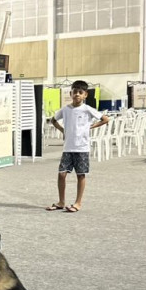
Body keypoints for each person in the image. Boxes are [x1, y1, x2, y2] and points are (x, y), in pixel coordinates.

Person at [46, 80, 109, 213]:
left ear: (85, 95)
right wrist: (63, 130)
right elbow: (53, 120)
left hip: (82, 148)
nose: (77, 95)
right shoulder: (65, 109)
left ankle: (78, 202)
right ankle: (61, 201)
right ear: (70, 93)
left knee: (81, 175)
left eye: (80, 92)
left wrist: (92, 126)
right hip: (68, 148)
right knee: (62, 174)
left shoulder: (87, 109)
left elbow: (105, 119)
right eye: (75, 92)